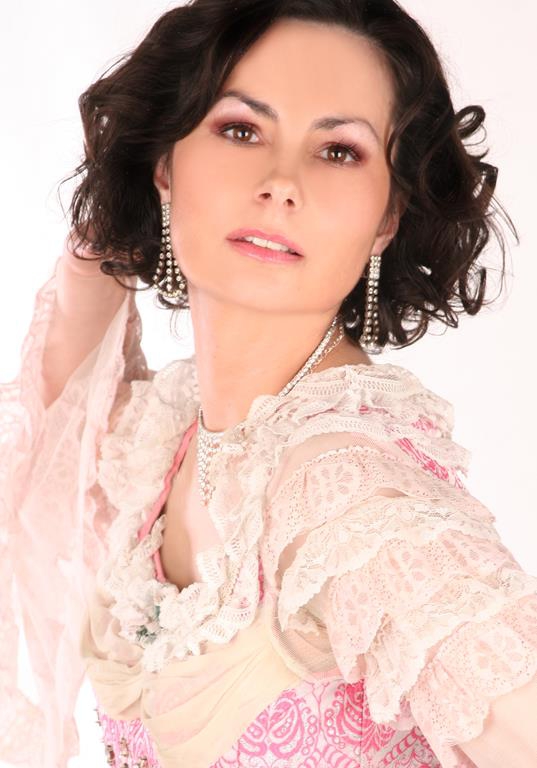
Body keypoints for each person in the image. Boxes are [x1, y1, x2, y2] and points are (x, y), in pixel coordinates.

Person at [1, 1, 536, 766]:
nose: (282, 182)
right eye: (241, 130)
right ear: (166, 163)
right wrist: (117, 208)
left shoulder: (349, 500)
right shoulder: (167, 443)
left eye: (339, 150)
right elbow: (52, 423)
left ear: (387, 215)